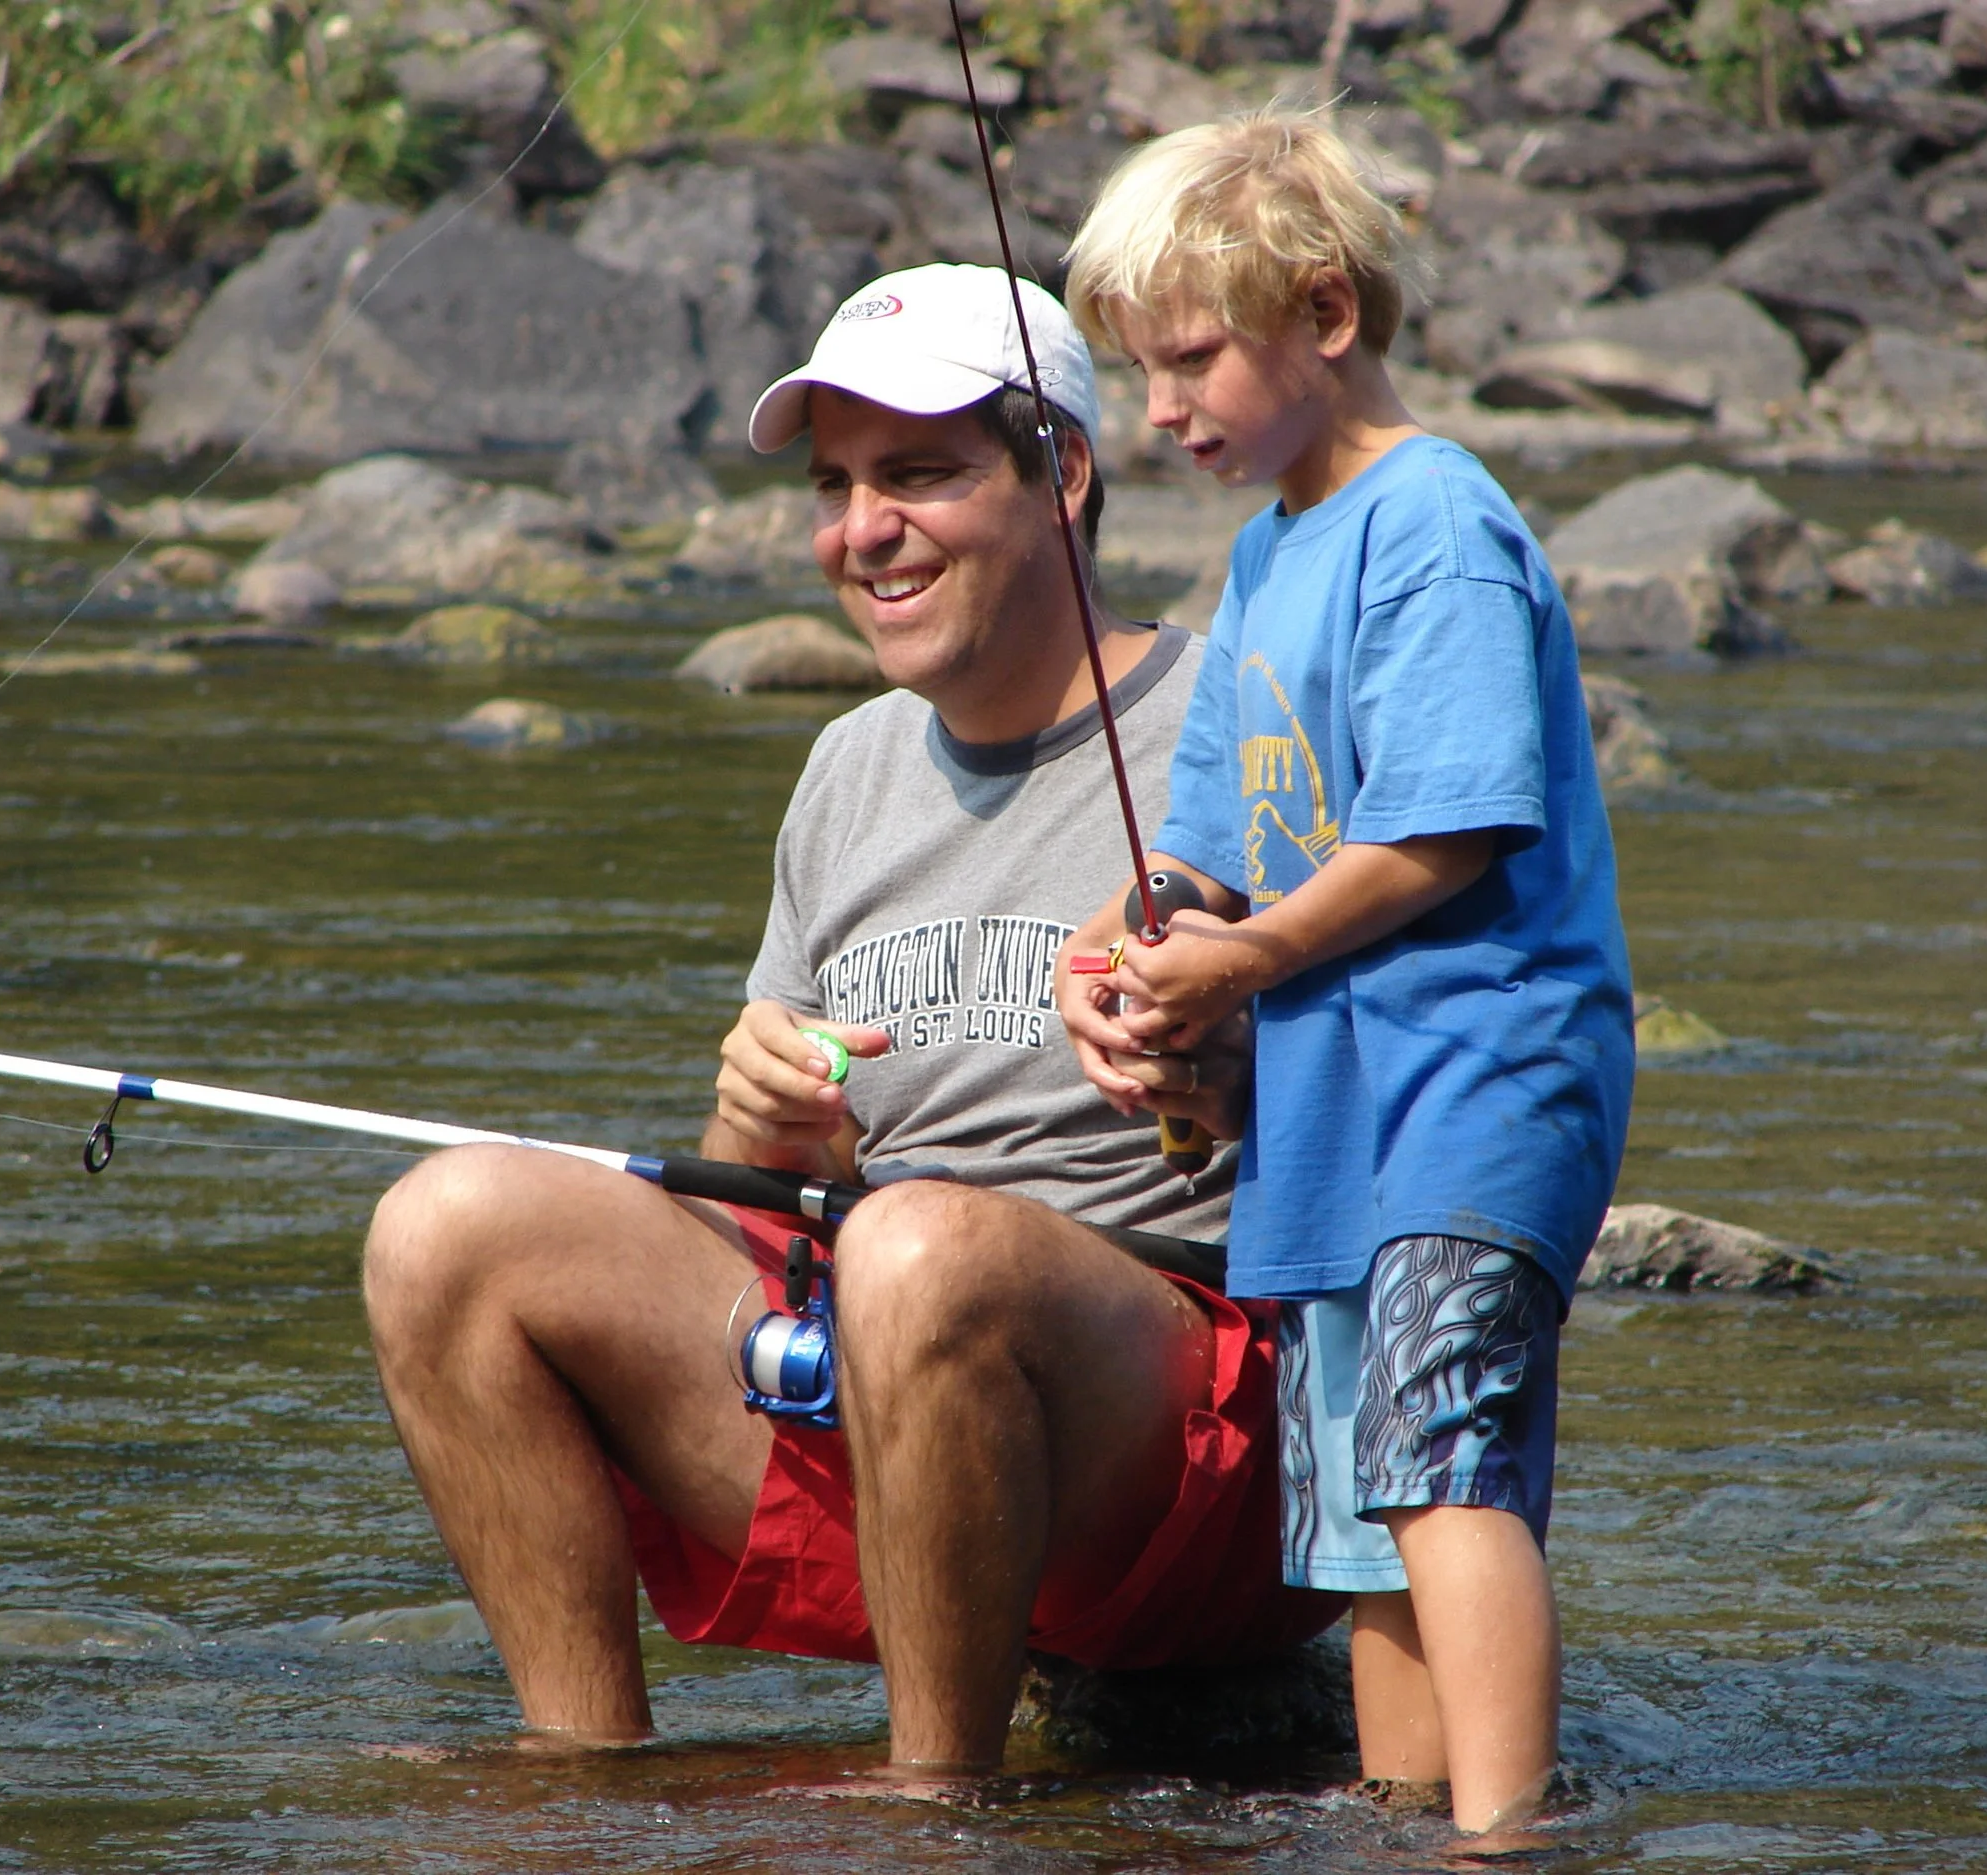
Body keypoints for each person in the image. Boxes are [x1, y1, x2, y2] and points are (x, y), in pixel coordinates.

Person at [360, 263, 1394, 1777]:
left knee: (915, 1243)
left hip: (1196, 1435)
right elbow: (765, 1192)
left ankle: (934, 1808)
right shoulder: (846, 766)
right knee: (441, 1221)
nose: (863, 530)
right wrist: (759, 1123)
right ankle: (577, 1783)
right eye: (836, 487)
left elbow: (1392, 1097)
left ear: (1064, 475)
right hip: (894, 1385)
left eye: (918, 474)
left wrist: (1241, 1063)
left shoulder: (1239, 724)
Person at [1056, 114, 1635, 1841]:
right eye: (1136, 372)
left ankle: (1504, 1830)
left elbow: (1448, 830)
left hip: (1477, 1084)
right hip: (1333, 1111)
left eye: (1186, 360)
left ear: (1322, 310)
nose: (1157, 411)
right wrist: (1122, 943)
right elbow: (1214, 854)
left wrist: (1247, 955)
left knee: (1441, 1463)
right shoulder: (1267, 558)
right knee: (1358, 1514)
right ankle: (1402, 1812)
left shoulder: (1437, 519)